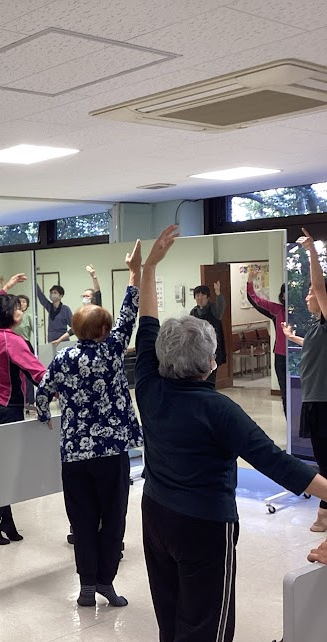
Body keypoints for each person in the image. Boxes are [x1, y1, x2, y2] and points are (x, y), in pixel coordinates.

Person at [135, 224, 327, 642]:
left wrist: (148, 270)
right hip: (203, 526)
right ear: (210, 361)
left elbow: (146, 325)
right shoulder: (218, 409)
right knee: (208, 627)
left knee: (170, 616)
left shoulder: (148, 385)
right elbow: (276, 462)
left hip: (155, 514)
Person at [35, 240, 143, 609]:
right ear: (104, 330)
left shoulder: (63, 358)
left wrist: (44, 415)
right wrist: (134, 274)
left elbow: (42, 392)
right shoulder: (112, 350)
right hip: (111, 451)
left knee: (81, 521)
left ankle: (85, 586)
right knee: (112, 520)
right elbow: (129, 314)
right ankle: (105, 583)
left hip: (75, 455)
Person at [0, 273, 47, 545]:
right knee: (11, 470)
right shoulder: (12, 341)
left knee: (5, 466)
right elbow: (39, 373)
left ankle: (7, 523)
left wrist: (6, 286)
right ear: (8, 314)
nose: (20, 311)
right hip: (10, 410)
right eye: (17, 308)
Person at [282, 228, 327, 532]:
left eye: (311, 293)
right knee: (322, 456)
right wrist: (292, 337)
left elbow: (319, 286)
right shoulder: (316, 327)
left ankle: (324, 511)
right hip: (313, 399)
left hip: (323, 400)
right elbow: (313, 346)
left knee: (325, 460)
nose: (309, 295)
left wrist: (311, 251)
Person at [246, 266, 287, 414]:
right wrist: (250, 281)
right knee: (286, 395)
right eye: (285, 293)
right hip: (281, 358)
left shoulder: (305, 312)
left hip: (301, 357)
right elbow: (255, 300)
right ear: (282, 296)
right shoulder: (277, 310)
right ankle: (290, 424)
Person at [189, 280, 226, 386]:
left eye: (202, 295)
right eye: (197, 295)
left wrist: (218, 293)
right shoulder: (193, 312)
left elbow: (221, 309)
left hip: (212, 349)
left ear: (208, 297)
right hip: (198, 350)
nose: (200, 298)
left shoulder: (214, 309)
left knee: (210, 377)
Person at [12, 293, 36, 407]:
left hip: (25, 345)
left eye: (24, 302)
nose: (22, 304)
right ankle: (18, 400)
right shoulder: (11, 316)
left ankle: (30, 401)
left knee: (28, 374)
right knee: (15, 374)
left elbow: (36, 332)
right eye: (20, 301)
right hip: (12, 346)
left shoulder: (29, 317)